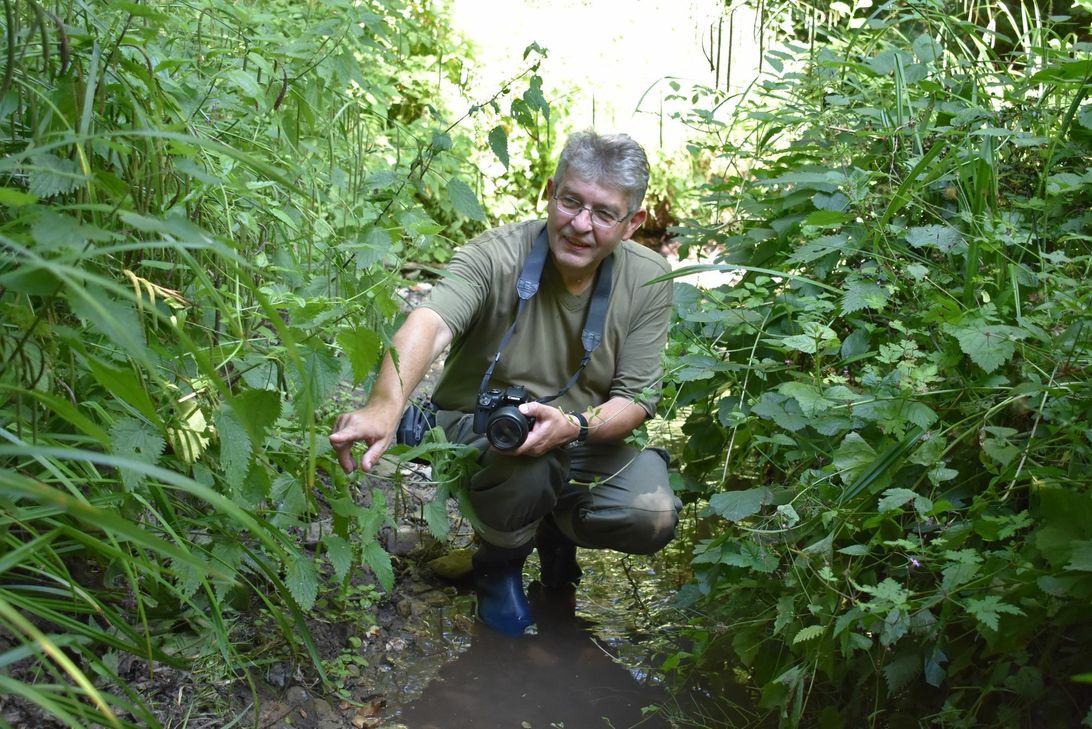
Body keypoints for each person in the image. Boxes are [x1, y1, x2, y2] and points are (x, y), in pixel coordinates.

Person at [330, 131, 680, 636]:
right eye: (571, 202)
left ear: (633, 224)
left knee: (652, 513)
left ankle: (554, 531)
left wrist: (575, 426)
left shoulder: (649, 278)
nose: (581, 225)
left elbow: (635, 399)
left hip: (581, 437)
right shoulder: (494, 255)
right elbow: (430, 321)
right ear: (550, 191)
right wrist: (385, 405)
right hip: (480, 431)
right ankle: (499, 563)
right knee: (528, 466)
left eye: (604, 213)